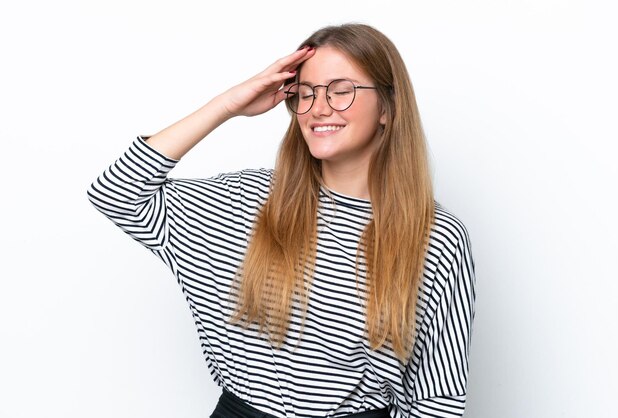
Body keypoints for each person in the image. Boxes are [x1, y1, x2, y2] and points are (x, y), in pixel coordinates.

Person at [88, 23, 476, 418]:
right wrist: (227, 106)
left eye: (341, 91)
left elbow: (436, 398)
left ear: (388, 109)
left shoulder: (436, 237)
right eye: (305, 94)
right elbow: (116, 193)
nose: (319, 108)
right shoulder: (248, 201)